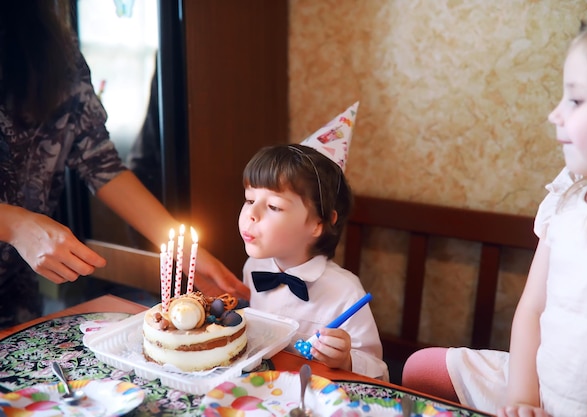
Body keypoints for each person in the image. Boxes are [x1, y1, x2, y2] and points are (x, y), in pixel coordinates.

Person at [402, 8, 587, 417]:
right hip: (537, 388)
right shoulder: (568, 193)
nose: (555, 113)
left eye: (575, 99)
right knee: (421, 369)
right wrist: (521, 401)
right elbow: (533, 309)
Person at [0, 0, 249, 328]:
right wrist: (14, 224)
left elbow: (100, 161)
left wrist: (185, 252)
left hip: (14, 294)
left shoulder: (51, 47)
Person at [238, 104, 388, 380]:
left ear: (318, 223)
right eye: (249, 200)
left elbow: (379, 373)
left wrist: (347, 359)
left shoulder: (345, 292)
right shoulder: (254, 266)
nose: (251, 215)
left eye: (273, 206)